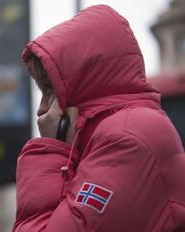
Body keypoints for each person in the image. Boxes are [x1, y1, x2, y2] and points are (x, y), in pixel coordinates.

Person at [13, 5, 185, 232]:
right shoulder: (119, 132)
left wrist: (50, 152)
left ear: (82, 85)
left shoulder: (125, 138)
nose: (42, 108)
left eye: (49, 90)